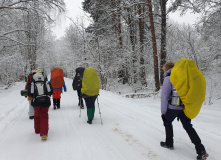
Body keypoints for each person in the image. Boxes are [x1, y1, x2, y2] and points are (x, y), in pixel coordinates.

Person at [160, 62, 208, 160]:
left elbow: (164, 96)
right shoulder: (184, 76)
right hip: (185, 107)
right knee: (188, 127)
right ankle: (201, 150)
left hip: (173, 107)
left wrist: (163, 111)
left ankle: (169, 143)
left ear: (166, 69)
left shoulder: (168, 78)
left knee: (167, 121)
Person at [29, 69, 53, 140]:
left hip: (36, 101)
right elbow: (50, 91)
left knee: (36, 115)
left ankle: (37, 130)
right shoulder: (45, 79)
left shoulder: (33, 80)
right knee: (44, 116)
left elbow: (30, 92)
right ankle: (44, 133)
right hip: (45, 101)